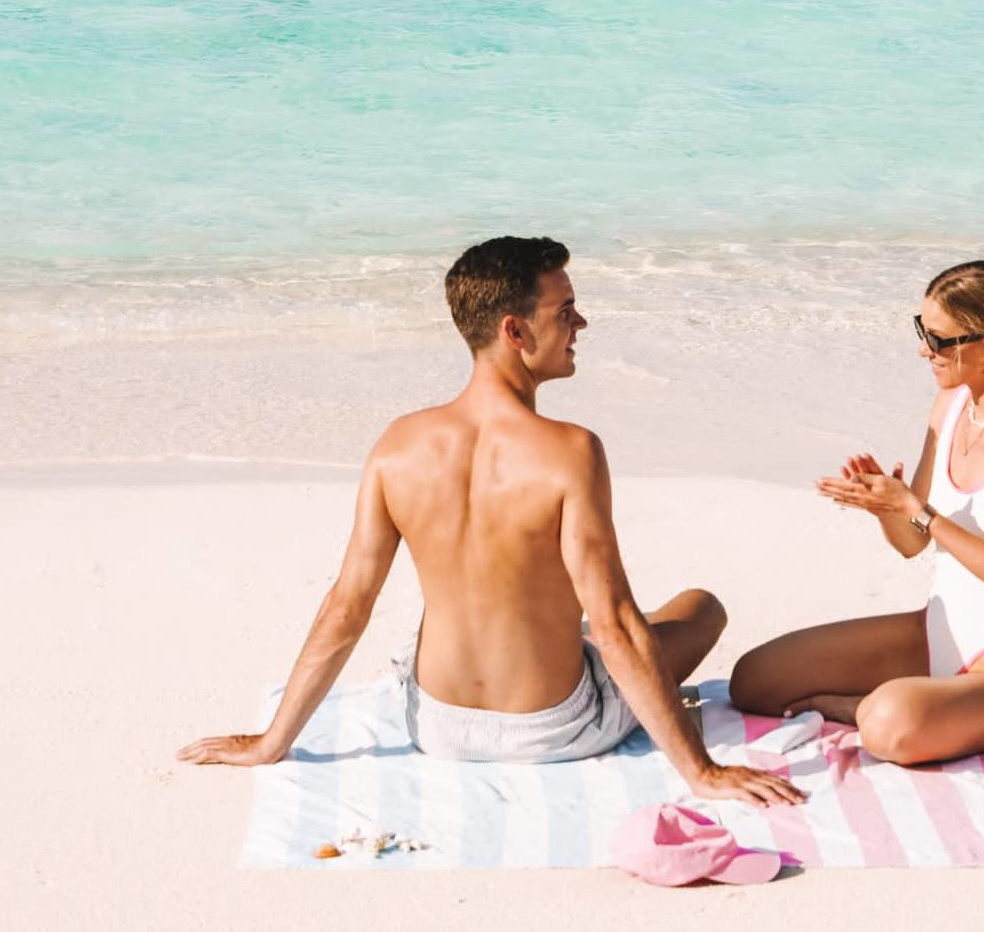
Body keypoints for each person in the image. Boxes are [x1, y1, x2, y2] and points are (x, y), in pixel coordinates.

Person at [177, 236, 803, 808]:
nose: (580, 324)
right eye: (565, 311)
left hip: (435, 726)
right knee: (700, 607)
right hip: (554, 728)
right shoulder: (570, 451)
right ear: (514, 330)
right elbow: (613, 625)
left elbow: (348, 605)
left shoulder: (399, 445)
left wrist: (271, 743)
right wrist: (700, 771)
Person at [728, 260, 984, 766]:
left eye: (939, 340)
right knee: (755, 681)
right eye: (922, 330)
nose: (924, 349)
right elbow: (912, 541)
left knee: (888, 724)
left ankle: (860, 707)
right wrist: (886, 505)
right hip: (932, 635)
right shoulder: (951, 405)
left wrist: (920, 511)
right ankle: (901, 701)